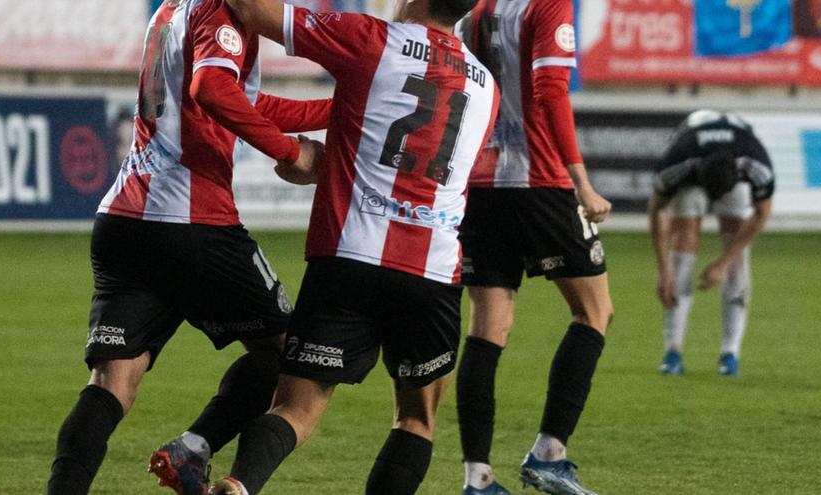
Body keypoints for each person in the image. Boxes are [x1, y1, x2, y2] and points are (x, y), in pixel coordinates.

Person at [207, 0, 499, 493]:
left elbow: (250, 9)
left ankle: (238, 486)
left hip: (348, 258)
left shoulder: (370, 38)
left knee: (295, 409)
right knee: (415, 420)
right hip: (431, 273)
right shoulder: (486, 87)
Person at [45, 0, 332, 493]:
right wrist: (290, 154)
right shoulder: (221, 10)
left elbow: (245, 102)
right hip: (192, 221)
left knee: (114, 380)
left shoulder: (172, 10)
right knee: (288, 352)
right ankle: (193, 451)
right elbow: (213, 88)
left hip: (124, 218)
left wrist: (343, 110)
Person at [453, 1, 614, 493]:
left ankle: (477, 477)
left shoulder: (472, 10)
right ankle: (548, 452)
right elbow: (550, 92)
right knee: (594, 312)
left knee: (487, 329)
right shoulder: (548, 4)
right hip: (540, 180)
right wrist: (581, 182)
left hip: (479, 184)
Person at [648, 109, 774, 377]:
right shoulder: (678, 160)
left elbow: (762, 213)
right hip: (693, 170)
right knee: (683, 243)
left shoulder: (755, 161)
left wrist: (723, 263)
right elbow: (657, 210)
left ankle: (730, 354)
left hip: (732, 174)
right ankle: (673, 352)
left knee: (736, 254)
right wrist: (663, 270)